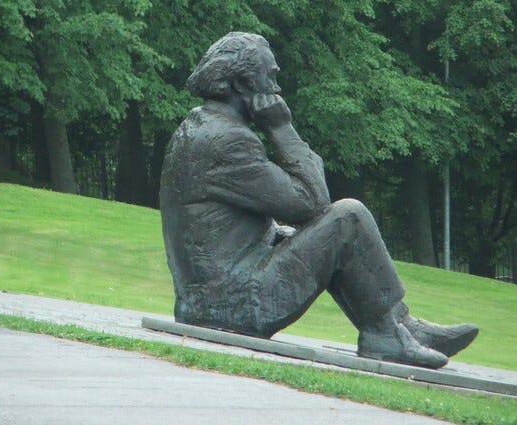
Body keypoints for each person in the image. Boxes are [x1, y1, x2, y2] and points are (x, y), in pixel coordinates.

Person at [159, 32, 478, 368]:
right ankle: (385, 332)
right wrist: (282, 129)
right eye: (272, 77)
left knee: (301, 232)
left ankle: (400, 324)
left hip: (204, 299)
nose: (277, 89)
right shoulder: (228, 141)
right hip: (235, 302)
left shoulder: (197, 127)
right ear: (242, 83)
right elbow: (312, 203)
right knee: (347, 218)